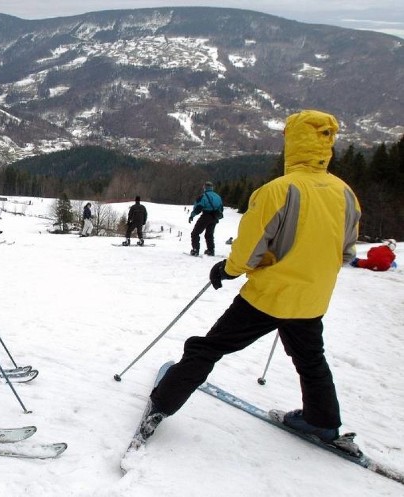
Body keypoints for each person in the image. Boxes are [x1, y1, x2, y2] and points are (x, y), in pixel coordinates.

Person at [141, 110, 361, 452]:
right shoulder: (345, 193)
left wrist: (226, 270)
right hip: (312, 299)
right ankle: (323, 421)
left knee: (209, 347)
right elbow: (347, 252)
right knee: (311, 359)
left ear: (293, 141)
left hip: (269, 295)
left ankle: (162, 403)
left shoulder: (279, 190)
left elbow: (248, 248)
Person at [188, 181, 224, 256]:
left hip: (206, 216)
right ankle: (211, 250)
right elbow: (221, 208)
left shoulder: (203, 196)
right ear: (212, 188)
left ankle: (195, 250)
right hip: (214, 217)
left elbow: (198, 207)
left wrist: (192, 216)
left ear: (204, 187)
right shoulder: (218, 196)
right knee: (209, 234)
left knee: (195, 233)